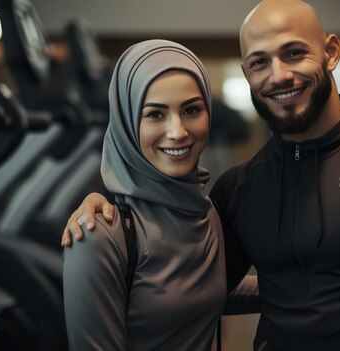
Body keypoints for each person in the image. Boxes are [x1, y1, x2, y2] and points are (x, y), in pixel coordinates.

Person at [63, 1, 340, 350]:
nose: (279, 75)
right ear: (247, 72)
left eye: (293, 53)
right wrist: (103, 201)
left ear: (331, 52)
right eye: (259, 62)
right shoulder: (239, 188)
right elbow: (191, 285)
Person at [62, 39, 227, 350]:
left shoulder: (207, 213)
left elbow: (210, 292)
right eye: (155, 114)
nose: (178, 131)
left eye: (191, 109)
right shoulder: (99, 236)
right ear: (126, 122)